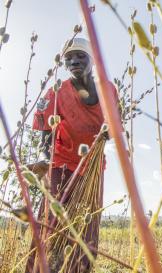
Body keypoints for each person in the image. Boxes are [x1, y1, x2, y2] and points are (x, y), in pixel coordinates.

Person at [25, 37, 117, 273]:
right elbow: (45, 129)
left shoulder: (108, 90)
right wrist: (46, 158)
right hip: (61, 166)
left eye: (80, 56)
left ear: (92, 60)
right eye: (69, 58)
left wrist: (108, 133)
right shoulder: (57, 92)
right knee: (53, 225)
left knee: (87, 228)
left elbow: (114, 127)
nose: (74, 61)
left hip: (93, 168)